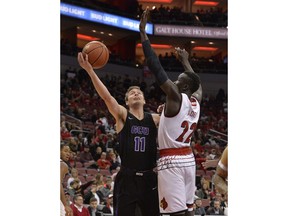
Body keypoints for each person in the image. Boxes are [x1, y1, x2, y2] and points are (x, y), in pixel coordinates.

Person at [77, 51, 160, 216]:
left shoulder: (156, 119)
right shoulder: (122, 115)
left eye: (139, 93)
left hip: (149, 178)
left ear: (144, 100)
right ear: (127, 101)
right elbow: (107, 97)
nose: (136, 93)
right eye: (131, 93)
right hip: (127, 178)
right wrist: (90, 71)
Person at [140, 8, 202, 216]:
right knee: (189, 210)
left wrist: (143, 35)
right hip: (188, 158)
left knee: (173, 214)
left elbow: (156, 69)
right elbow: (197, 85)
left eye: (178, 81)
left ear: (183, 88)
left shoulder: (175, 97)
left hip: (171, 160)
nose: (174, 82)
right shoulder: (196, 101)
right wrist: (185, 61)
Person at [61, 143, 73, 216]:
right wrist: (65, 205)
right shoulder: (62, 164)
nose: (68, 154)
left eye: (69, 152)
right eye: (65, 151)